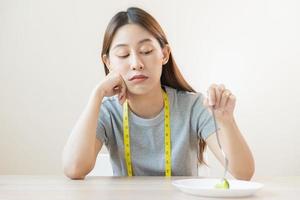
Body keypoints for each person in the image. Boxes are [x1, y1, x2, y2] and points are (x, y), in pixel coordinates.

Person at [62, 7, 254, 179]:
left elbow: (243, 173)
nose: (136, 63)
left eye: (146, 51)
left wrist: (226, 121)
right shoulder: (108, 113)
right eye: (123, 55)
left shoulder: (193, 106)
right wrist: (96, 95)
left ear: (164, 54)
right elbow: (74, 169)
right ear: (108, 62)